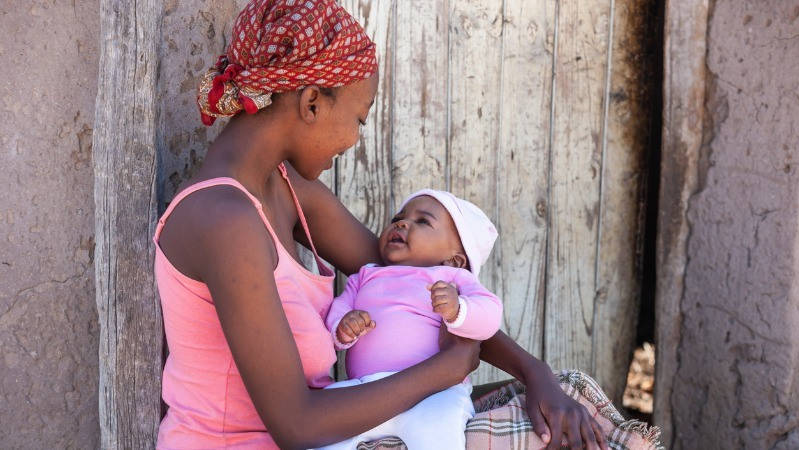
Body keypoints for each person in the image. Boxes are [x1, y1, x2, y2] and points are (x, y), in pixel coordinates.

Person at [154, 1, 608, 449]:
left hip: (338, 434)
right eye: (358, 119)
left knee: (572, 407)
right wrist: (446, 370)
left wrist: (537, 375)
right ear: (311, 103)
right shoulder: (224, 219)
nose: (353, 140)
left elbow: (412, 284)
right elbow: (298, 426)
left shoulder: (287, 188)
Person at [320, 190, 503, 449]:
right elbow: (337, 311)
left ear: (454, 259)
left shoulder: (452, 279)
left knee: (439, 431)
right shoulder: (366, 276)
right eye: (399, 217)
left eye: (423, 221)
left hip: (434, 393)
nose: (401, 223)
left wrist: (458, 309)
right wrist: (344, 327)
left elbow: (491, 315)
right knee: (324, 418)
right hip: (365, 393)